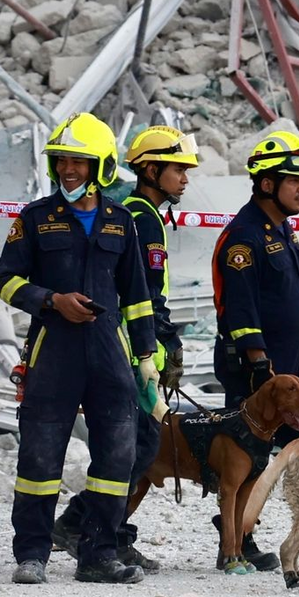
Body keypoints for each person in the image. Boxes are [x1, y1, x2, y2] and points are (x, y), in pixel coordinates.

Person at [0, 112, 157, 587]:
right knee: (40, 460)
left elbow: (139, 296)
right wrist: (51, 301)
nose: (68, 169)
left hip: (110, 354)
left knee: (117, 457)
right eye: (62, 160)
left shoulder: (121, 221)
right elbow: (6, 282)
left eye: (79, 162)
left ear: (101, 167)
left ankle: (99, 554)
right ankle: (32, 554)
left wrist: (146, 357)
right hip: (53, 351)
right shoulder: (34, 219)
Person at [52, 124, 197, 571]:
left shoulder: (143, 214)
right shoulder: (139, 216)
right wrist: (159, 348)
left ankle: (98, 529)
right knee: (136, 444)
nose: (185, 179)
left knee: (137, 444)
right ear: (151, 169)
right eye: (178, 169)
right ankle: (89, 527)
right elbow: (142, 294)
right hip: (130, 349)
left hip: (135, 345)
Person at [211, 129, 299, 571]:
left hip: (287, 372)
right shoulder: (244, 238)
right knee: (251, 460)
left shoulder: (280, 230)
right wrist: (259, 367)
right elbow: (240, 310)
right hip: (260, 376)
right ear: (266, 184)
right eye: (293, 179)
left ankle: (243, 536)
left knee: (293, 451)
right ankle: (235, 544)